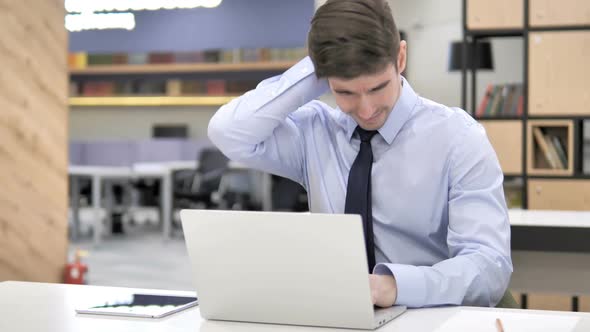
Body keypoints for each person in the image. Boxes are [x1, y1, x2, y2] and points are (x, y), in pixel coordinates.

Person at [208, 0, 512, 308]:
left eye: (378, 87)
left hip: (433, 318)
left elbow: (489, 268)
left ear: (401, 57)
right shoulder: (315, 133)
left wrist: (395, 287)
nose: (366, 110)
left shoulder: (458, 137)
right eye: (345, 92)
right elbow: (228, 132)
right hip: (341, 317)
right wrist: (317, 67)